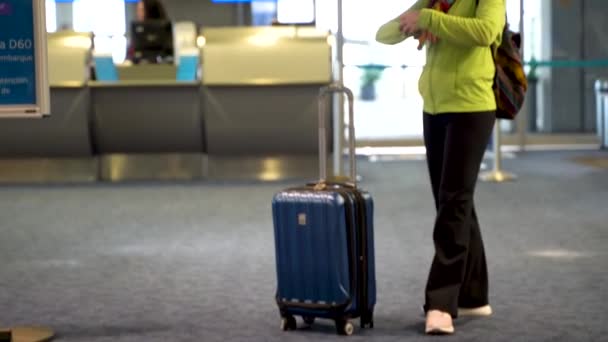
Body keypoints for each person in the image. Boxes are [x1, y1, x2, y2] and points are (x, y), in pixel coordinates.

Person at [376, 0, 506, 335]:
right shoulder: (433, 1)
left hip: (472, 108)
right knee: (452, 201)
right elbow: (384, 34)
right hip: (435, 109)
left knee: (454, 202)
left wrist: (432, 20)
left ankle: (441, 303)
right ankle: (474, 296)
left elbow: (485, 31)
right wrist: (415, 23)